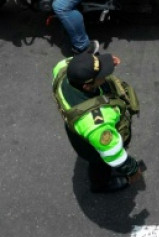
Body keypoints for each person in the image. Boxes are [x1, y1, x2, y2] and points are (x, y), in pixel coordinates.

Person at [51, 51, 142, 192]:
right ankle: (101, 185)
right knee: (99, 164)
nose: (104, 76)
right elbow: (112, 151)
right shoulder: (96, 123)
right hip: (91, 145)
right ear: (87, 87)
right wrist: (132, 169)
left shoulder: (62, 68)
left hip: (76, 128)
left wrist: (104, 62)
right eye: (101, 75)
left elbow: (78, 62)